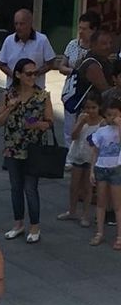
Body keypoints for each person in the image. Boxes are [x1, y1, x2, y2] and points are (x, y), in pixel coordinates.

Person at [0, 58, 54, 243]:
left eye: (35, 73)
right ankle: (18, 223)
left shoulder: (42, 96)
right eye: (29, 73)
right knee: (15, 188)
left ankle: (35, 226)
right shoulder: (8, 95)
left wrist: (37, 124)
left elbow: (49, 122)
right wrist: (10, 108)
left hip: (33, 149)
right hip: (13, 148)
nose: (33, 76)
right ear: (18, 75)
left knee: (30, 188)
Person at [57, 92, 103, 227]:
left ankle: (85, 214)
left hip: (91, 158)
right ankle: (72, 210)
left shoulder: (102, 122)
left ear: (99, 107)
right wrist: (81, 123)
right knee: (74, 185)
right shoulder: (82, 118)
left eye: (94, 107)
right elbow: (73, 136)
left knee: (88, 187)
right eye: (88, 108)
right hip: (78, 154)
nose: (90, 111)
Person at [59, 11, 100, 150]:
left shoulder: (97, 50)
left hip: (89, 93)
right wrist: (75, 71)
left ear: (93, 30)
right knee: (70, 125)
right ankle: (69, 156)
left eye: (85, 29)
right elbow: (61, 66)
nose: (81, 32)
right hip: (72, 91)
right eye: (80, 28)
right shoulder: (72, 45)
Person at [88, 96, 121, 249]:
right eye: (109, 115)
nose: (112, 118)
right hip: (102, 167)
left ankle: (119, 236)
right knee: (101, 202)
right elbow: (95, 151)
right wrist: (92, 171)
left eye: (115, 115)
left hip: (116, 168)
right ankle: (99, 232)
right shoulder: (101, 131)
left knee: (117, 204)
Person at [0, 9, 56, 89]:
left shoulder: (42, 40)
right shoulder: (9, 40)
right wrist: (15, 76)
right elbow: (2, 64)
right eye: (16, 24)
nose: (18, 27)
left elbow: (51, 63)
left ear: (30, 23)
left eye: (22, 24)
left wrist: (34, 74)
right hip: (13, 91)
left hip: (36, 91)